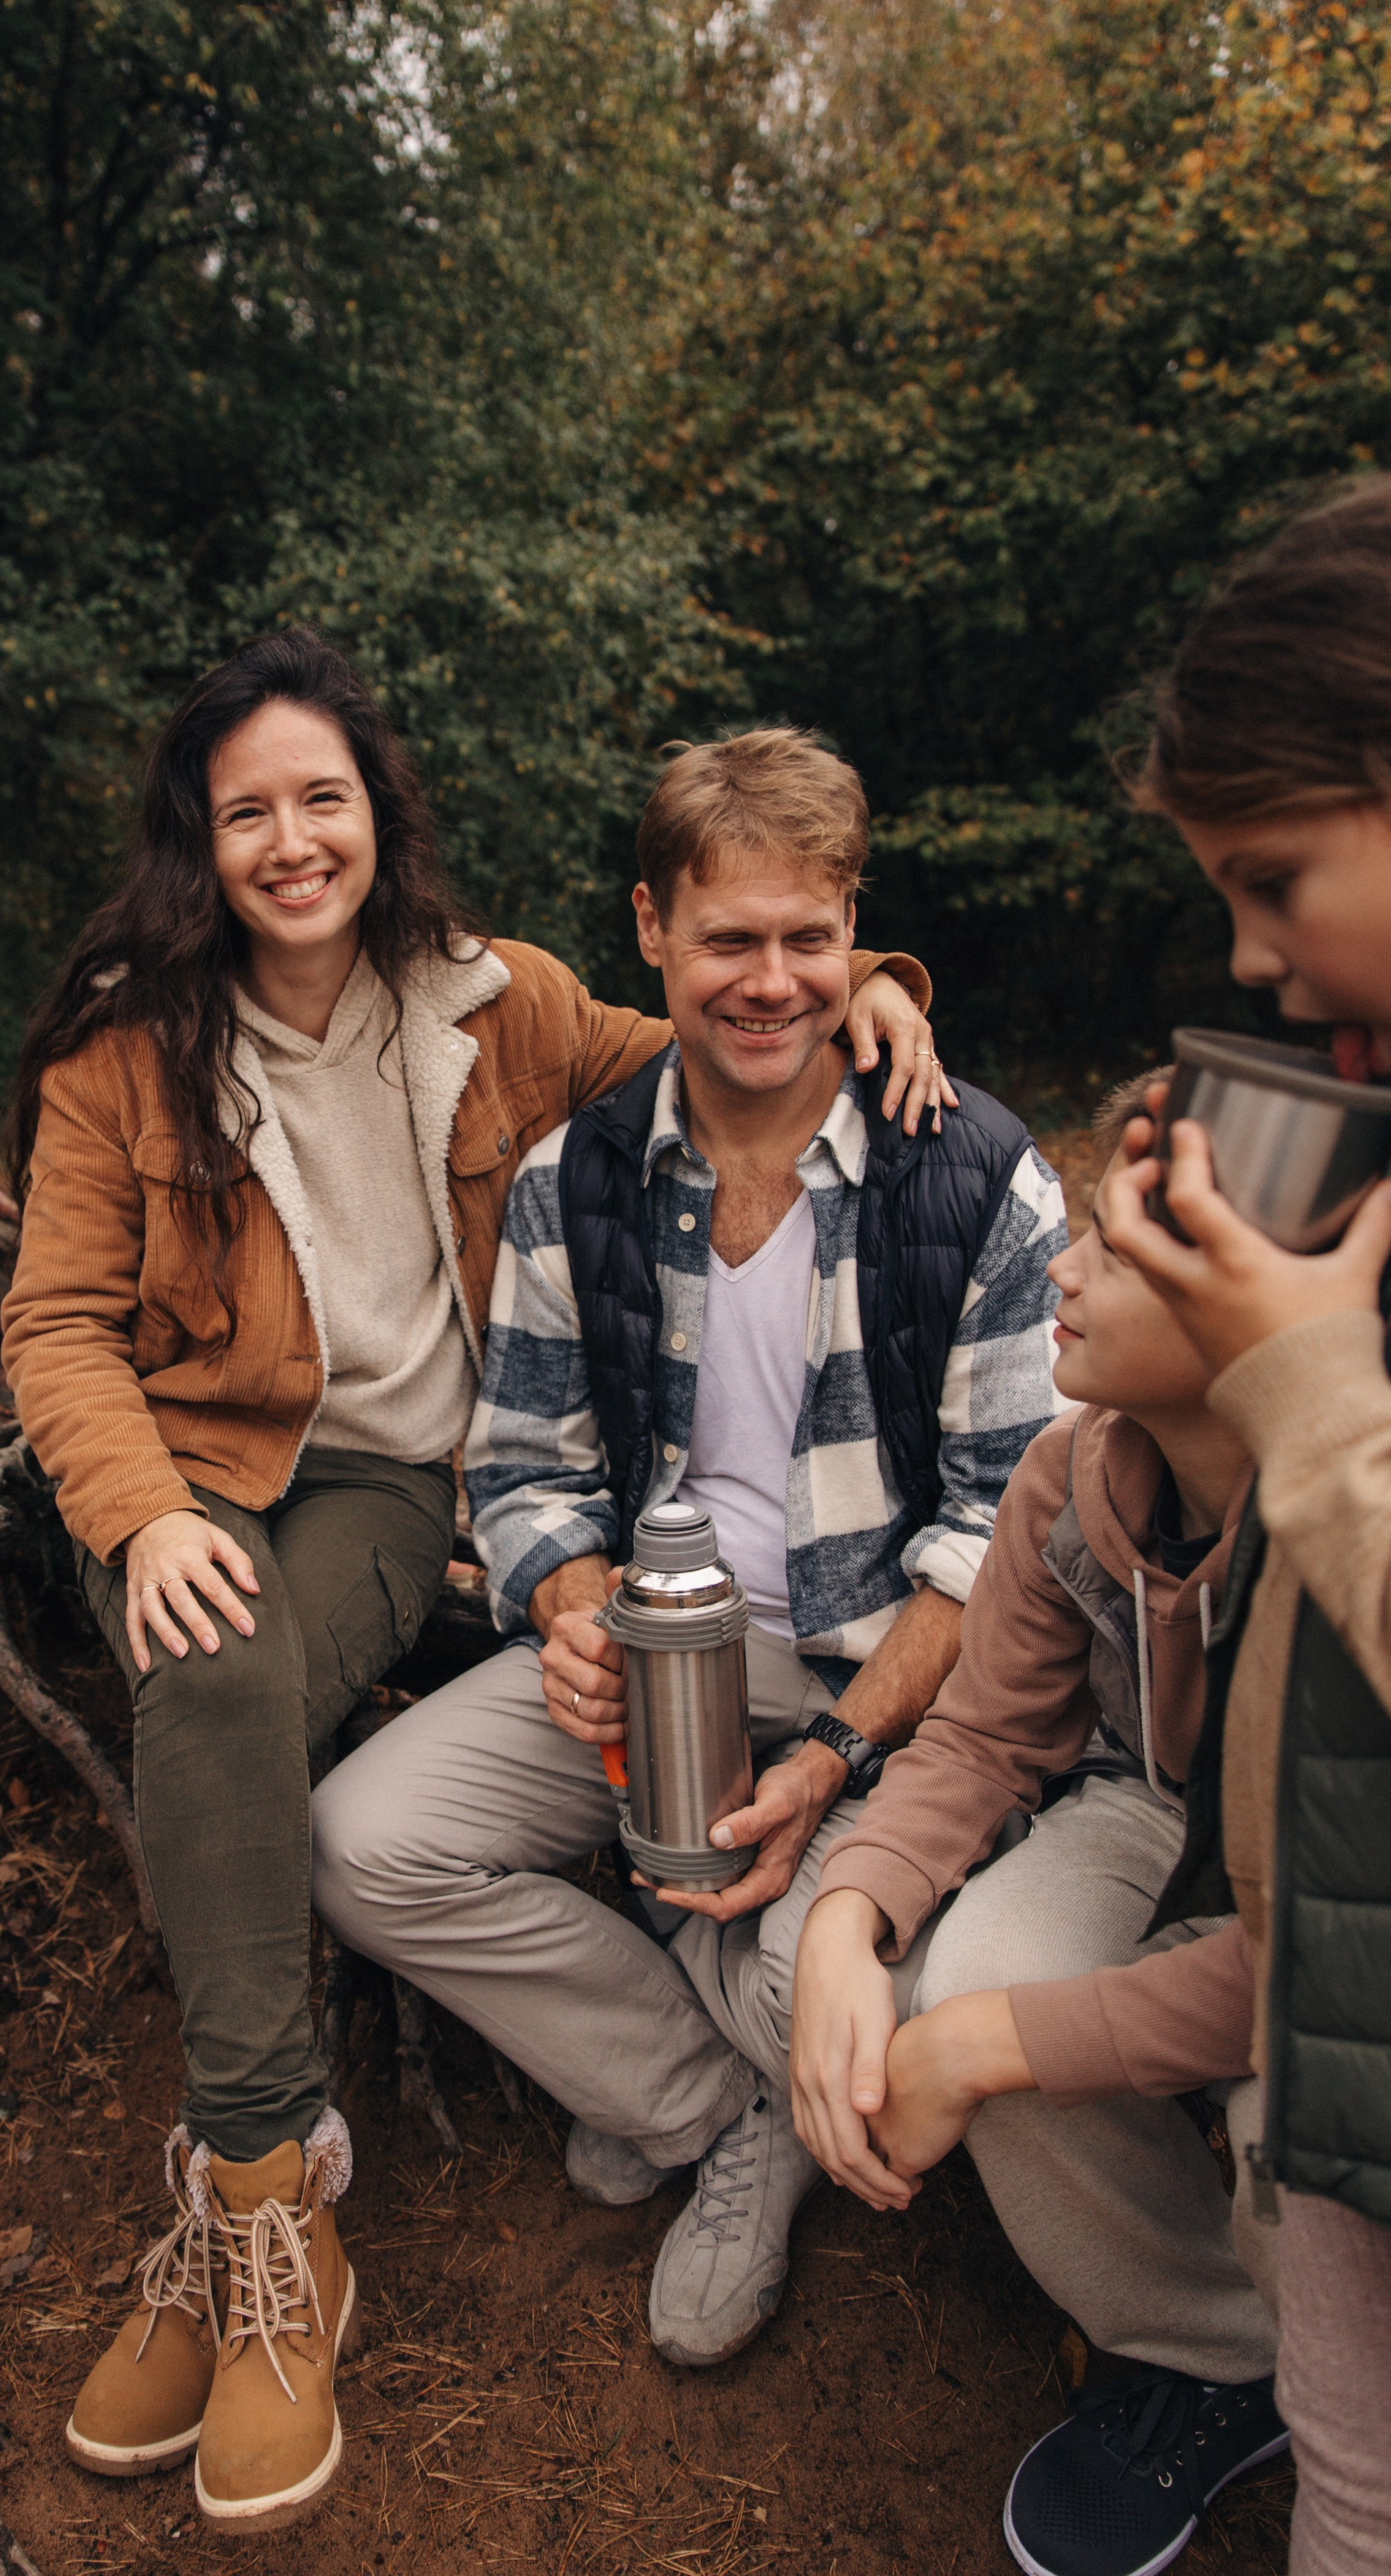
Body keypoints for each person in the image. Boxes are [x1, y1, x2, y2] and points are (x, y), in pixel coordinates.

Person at [0, 631, 940, 2533]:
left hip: (390, 1475)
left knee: (245, 1685)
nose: (288, 842)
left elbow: (729, 1017)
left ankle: (274, 2215)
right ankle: (269, 2208)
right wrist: (142, 1512)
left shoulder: (490, 1002)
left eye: (320, 800)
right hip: (196, 1461)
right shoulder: (123, 1045)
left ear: (375, 815)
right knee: (204, 1652)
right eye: (246, 809)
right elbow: (53, 1323)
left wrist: (889, 999)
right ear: (201, 834)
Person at [313, 725, 1064, 2371]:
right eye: (729, 938)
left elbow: (1001, 1540)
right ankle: (707, 2101)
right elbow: (520, 1461)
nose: (771, 980)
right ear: (649, 930)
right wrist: (573, 1606)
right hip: (661, 1652)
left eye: (810, 938)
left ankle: (754, 2045)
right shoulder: (572, 1181)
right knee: (366, 1843)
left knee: (845, 1992)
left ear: (858, 936)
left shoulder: (978, 1178)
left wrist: (845, 1753)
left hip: (888, 1678)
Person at [790, 1079, 1284, 2576]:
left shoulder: (1349, 1524)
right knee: (974, 1974)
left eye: (1116, 1257)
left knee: (1270, 2117)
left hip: (1327, 1895)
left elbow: (1321, 1958)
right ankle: (1215, 2352)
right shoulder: (1071, 1473)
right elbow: (986, 1736)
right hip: (1153, 1804)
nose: (1057, 1273)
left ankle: (1342, 2376)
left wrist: (992, 2044)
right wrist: (840, 1917)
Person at [1085, 478, 1391, 2576]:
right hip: (1345, 2019)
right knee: (1362, 2501)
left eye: (1278, 883)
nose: (1263, 967)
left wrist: (1283, 1385)